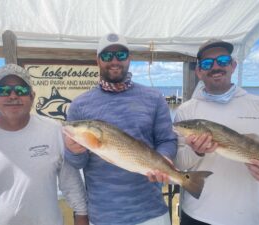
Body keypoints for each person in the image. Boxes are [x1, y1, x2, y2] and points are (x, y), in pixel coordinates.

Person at [64, 33, 177, 225]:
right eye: (107, 56)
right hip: (104, 215)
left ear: (130, 59)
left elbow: (167, 140)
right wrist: (73, 151)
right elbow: (77, 164)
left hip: (151, 213)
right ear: (98, 60)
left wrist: (164, 159)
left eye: (121, 55)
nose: (114, 61)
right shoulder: (79, 105)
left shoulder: (154, 97)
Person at [174, 39, 259, 225]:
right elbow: (179, 163)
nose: (215, 67)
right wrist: (197, 151)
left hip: (249, 217)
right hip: (197, 214)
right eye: (206, 63)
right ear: (199, 71)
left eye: (222, 60)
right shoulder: (186, 111)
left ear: (233, 65)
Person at [0, 64, 89, 225]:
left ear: (32, 96)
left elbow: (71, 184)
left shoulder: (54, 130)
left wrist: (81, 216)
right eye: (4, 90)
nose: (13, 95)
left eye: (21, 90)